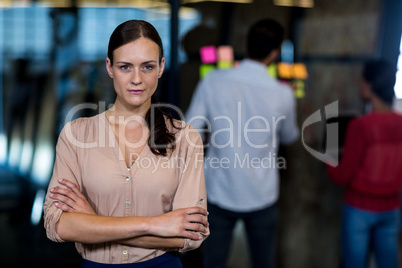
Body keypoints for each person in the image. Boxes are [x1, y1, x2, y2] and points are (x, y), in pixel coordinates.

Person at [43, 20, 209, 267]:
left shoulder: (185, 138)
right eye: (125, 67)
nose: (136, 79)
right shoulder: (76, 135)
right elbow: (58, 225)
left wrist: (94, 221)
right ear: (109, 67)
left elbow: (190, 234)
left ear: (161, 67)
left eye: (147, 67)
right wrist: (156, 224)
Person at [185, 18, 299, 268]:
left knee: (214, 261)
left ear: (246, 44)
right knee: (263, 261)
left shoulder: (213, 80)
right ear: (274, 53)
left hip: (218, 189)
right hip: (262, 193)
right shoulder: (283, 93)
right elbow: (290, 135)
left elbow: (190, 129)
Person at [326, 59, 402, 268]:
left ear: (369, 86)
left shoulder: (361, 126)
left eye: (361, 82)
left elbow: (340, 176)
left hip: (359, 209)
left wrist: (329, 153)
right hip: (392, 209)